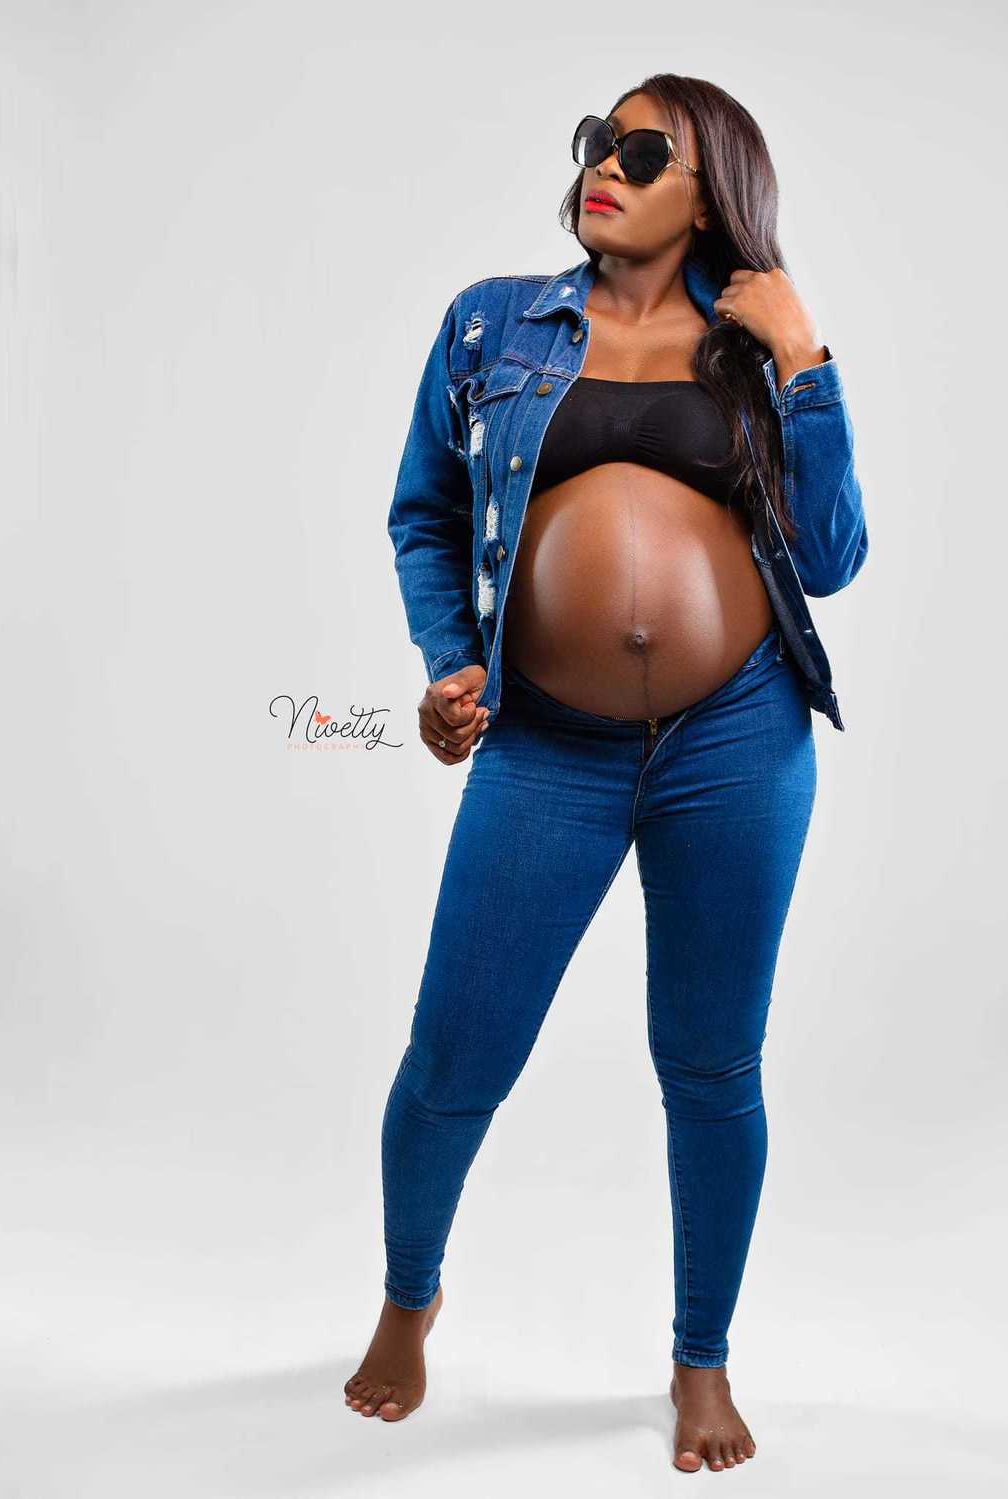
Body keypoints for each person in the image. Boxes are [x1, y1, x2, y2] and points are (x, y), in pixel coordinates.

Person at [345, 72, 870, 1474]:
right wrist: (451, 662)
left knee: (710, 1063)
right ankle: (409, 1298)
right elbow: (425, 512)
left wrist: (805, 357)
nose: (608, 168)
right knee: (456, 1054)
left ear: (713, 194)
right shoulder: (492, 323)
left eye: (645, 152)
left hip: (737, 741)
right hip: (546, 744)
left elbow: (831, 558)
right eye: (599, 142)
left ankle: (702, 1359)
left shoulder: (756, 347)